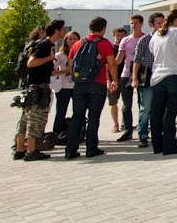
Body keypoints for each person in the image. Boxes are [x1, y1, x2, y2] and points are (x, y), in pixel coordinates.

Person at [65, 17, 118, 160]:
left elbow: (70, 65)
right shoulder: (105, 44)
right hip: (97, 83)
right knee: (94, 116)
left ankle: (70, 149)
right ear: (103, 28)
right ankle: (91, 148)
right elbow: (112, 64)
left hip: (79, 85)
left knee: (77, 116)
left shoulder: (78, 43)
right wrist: (114, 80)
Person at [13, 19, 64, 162]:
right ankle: (31, 151)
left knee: (25, 119)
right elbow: (32, 63)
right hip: (39, 89)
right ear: (57, 31)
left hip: (31, 87)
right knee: (36, 120)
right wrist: (50, 57)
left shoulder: (41, 44)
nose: (64, 32)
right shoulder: (44, 45)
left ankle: (20, 150)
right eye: (62, 29)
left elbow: (46, 70)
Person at [149, 9, 177, 156]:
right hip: (175, 75)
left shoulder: (156, 35)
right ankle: (169, 145)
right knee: (170, 113)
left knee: (157, 113)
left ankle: (157, 145)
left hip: (157, 77)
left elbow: (154, 53)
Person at [133, 12, 163, 148]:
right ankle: (143, 135)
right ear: (151, 24)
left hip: (162, 76)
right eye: (158, 23)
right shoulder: (145, 40)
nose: (161, 25)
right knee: (146, 108)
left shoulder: (166, 38)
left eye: (163, 23)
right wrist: (135, 78)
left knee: (161, 108)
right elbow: (137, 59)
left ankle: (159, 134)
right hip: (148, 76)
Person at [115, 16, 142, 142]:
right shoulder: (125, 40)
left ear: (141, 24)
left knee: (143, 103)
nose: (133, 25)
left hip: (142, 74)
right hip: (126, 74)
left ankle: (143, 129)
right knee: (126, 104)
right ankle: (127, 130)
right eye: (131, 23)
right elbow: (119, 59)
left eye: (136, 23)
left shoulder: (146, 38)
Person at [49, 30, 79, 144]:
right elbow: (52, 71)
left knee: (78, 111)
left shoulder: (80, 54)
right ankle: (56, 134)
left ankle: (77, 133)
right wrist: (66, 70)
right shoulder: (60, 55)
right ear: (66, 41)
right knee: (61, 111)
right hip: (64, 87)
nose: (72, 41)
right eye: (70, 39)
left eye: (74, 39)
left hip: (77, 86)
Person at [106, 27, 127, 133]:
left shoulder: (127, 48)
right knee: (113, 102)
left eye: (122, 35)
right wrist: (108, 80)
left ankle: (125, 123)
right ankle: (115, 123)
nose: (120, 37)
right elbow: (106, 66)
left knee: (126, 102)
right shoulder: (110, 49)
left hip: (125, 77)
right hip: (113, 78)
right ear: (114, 36)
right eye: (117, 35)